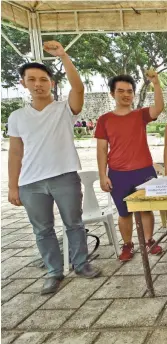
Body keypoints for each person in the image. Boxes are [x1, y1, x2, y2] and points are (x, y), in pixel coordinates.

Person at [7, 41, 100, 295]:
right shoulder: (16, 117)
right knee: (43, 230)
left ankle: (81, 264)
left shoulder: (63, 109)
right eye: (32, 79)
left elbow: (78, 88)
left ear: (52, 83)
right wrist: (12, 185)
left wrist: (63, 56)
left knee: (74, 223)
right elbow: (15, 153)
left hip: (64, 176)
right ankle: (54, 271)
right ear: (23, 83)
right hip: (31, 184)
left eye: (43, 79)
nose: (38, 84)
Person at [95, 72, 164, 262]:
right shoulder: (104, 120)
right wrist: (103, 175)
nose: (126, 94)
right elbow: (101, 149)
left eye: (130, 91)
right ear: (112, 94)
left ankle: (149, 240)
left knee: (146, 209)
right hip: (118, 174)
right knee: (124, 213)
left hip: (143, 172)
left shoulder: (140, 115)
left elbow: (158, 108)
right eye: (121, 91)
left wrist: (156, 83)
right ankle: (128, 244)